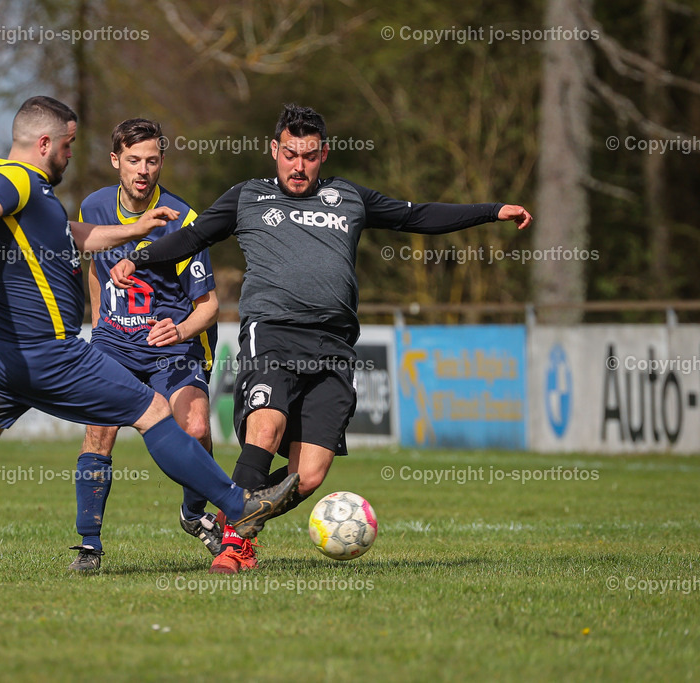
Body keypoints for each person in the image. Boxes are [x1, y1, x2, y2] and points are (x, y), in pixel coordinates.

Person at [0, 96, 298, 579]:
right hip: (49, 353)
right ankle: (237, 504)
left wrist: (136, 230)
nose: (69, 155)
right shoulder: (17, 179)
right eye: (67, 145)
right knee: (154, 412)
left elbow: (76, 236)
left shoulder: (39, 198)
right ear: (45, 143)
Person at [111, 103, 533, 574]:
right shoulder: (247, 197)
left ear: (324, 154)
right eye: (290, 153)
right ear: (274, 150)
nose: (299, 165)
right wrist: (139, 256)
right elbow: (193, 237)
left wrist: (492, 210)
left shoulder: (349, 198)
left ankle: (238, 511)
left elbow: (418, 216)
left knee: (307, 476)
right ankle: (235, 544)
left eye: (309, 155)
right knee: (265, 429)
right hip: (271, 332)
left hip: (333, 346)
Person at [68, 118, 221, 571]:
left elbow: (210, 306)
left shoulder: (184, 219)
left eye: (152, 160)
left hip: (171, 346)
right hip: (114, 343)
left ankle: (194, 516)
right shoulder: (93, 207)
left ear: (161, 163)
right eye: (133, 160)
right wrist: (100, 331)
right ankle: (90, 544)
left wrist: (182, 330)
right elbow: (96, 273)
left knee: (194, 429)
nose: (143, 170)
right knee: (99, 431)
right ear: (116, 160)